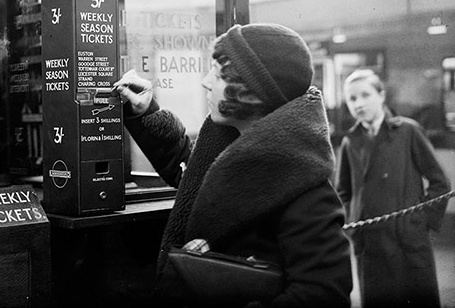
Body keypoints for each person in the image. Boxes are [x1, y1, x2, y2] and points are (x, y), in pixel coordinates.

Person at [115, 23, 353, 307]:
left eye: (217, 74)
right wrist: (145, 112)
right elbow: (192, 173)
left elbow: (324, 294)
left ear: (250, 94)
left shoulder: (308, 192)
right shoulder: (232, 145)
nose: (205, 81)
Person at [335, 69, 451, 308]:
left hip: (406, 242)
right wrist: (354, 222)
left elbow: (440, 182)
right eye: (352, 98)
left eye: (365, 95)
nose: (359, 104)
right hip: (370, 244)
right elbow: (342, 192)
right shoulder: (350, 141)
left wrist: (419, 221)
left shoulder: (408, 131)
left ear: (381, 95)